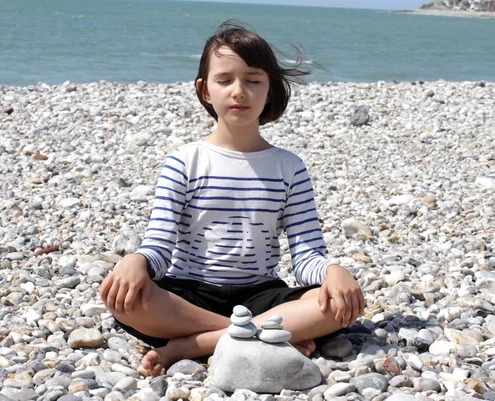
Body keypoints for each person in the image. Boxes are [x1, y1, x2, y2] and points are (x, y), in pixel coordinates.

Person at [99, 20, 364, 377]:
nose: (239, 91)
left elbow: (306, 255)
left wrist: (334, 271)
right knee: (125, 298)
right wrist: (136, 261)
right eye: (225, 80)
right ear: (205, 90)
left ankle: (194, 345)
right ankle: (262, 335)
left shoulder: (290, 167)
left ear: (269, 90)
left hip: (261, 294)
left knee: (339, 304)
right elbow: (159, 245)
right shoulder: (185, 161)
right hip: (190, 294)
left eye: (253, 80)